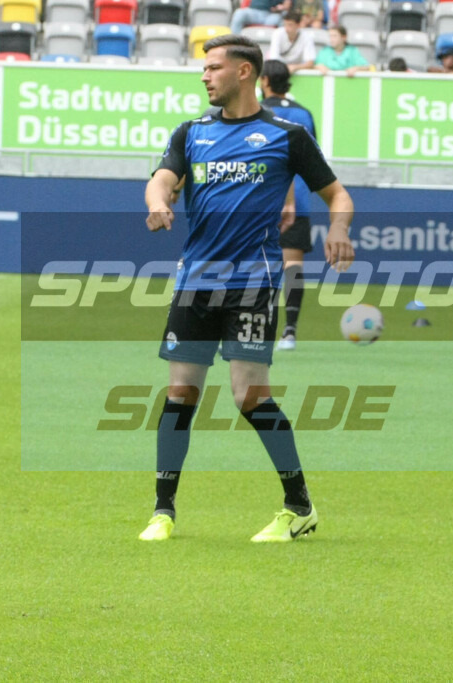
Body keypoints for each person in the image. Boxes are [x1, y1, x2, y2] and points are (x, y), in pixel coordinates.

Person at [142, 35, 355, 542]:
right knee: (180, 393)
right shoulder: (191, 132)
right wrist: (158, 200)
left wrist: (340, 229)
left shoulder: (286, 135)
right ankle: (162, 511)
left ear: (244, 72)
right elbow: (161, 178)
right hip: (195, 281)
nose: (204, 76)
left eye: (213, 67)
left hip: (253, 283)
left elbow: (337, 194)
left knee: (249, 396)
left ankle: (299, 506)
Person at [256, 59, 319, 351]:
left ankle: (251, 330)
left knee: (253, 266)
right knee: (293, 265)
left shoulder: (254, 112)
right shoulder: (304, 113)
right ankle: (289, 332)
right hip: (300, 197)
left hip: (261, 197)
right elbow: (312, 156)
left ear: (264, 80)